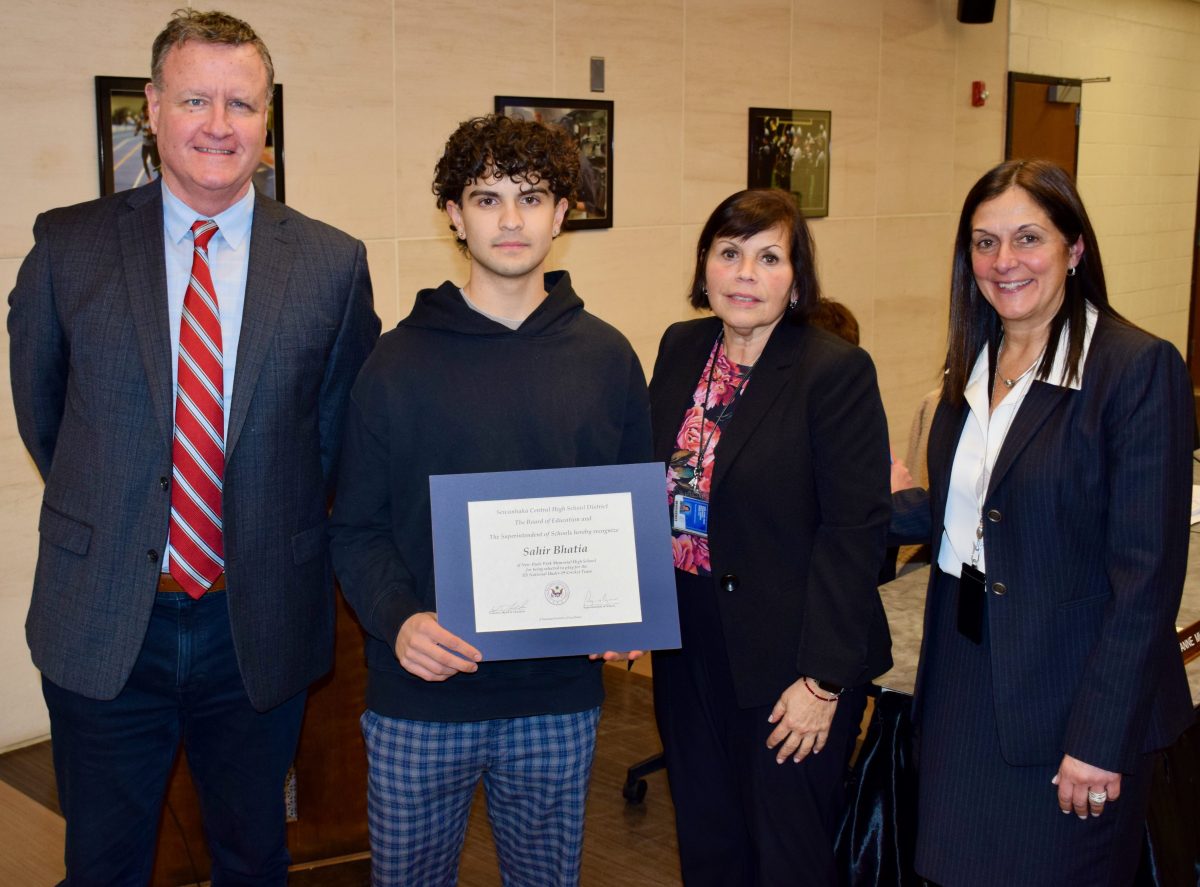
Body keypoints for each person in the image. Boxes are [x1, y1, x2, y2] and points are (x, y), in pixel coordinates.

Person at [8, 9, 379, 884]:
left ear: (268, 116)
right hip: (103, 616)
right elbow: (46, 415)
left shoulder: (332, 263)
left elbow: (334, 441)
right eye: (196, 99)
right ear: (152, 107)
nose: (220, 124)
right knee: (104, 860)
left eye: (242, 104)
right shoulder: (69, 245)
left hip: (255, 623)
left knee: (254, 855)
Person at [328, 113, 651, 887]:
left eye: (531, 196)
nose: (511, 219)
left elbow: (634, 513)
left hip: (556, 700)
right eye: (486, 197)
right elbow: (356, 527)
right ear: (453, 214)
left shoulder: (607, 358)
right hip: (420, 698)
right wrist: (399, 620)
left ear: (562, 212)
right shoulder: (394, 363)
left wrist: (628, 613)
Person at [890, 159, 1194, 886]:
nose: (1005, 261)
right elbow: (971, 510)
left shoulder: (1135, 368)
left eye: (1028, 237)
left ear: (1074, 247)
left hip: (1072, 695)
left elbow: (1146, 578)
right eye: (985, 242)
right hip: (966, 676)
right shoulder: (974, 358)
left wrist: (1098, 737)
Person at [649, 188, 893, 885]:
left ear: (796, 278)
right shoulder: (681, 345)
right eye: (729, 253)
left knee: (786, 853)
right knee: (709, 837)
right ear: (705, 269)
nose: (745, 273)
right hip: (689, 638)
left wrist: (823, 679)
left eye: (768, 257)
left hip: (794, 653)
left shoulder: (832, 370)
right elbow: (649, 483)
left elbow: (857, 531)